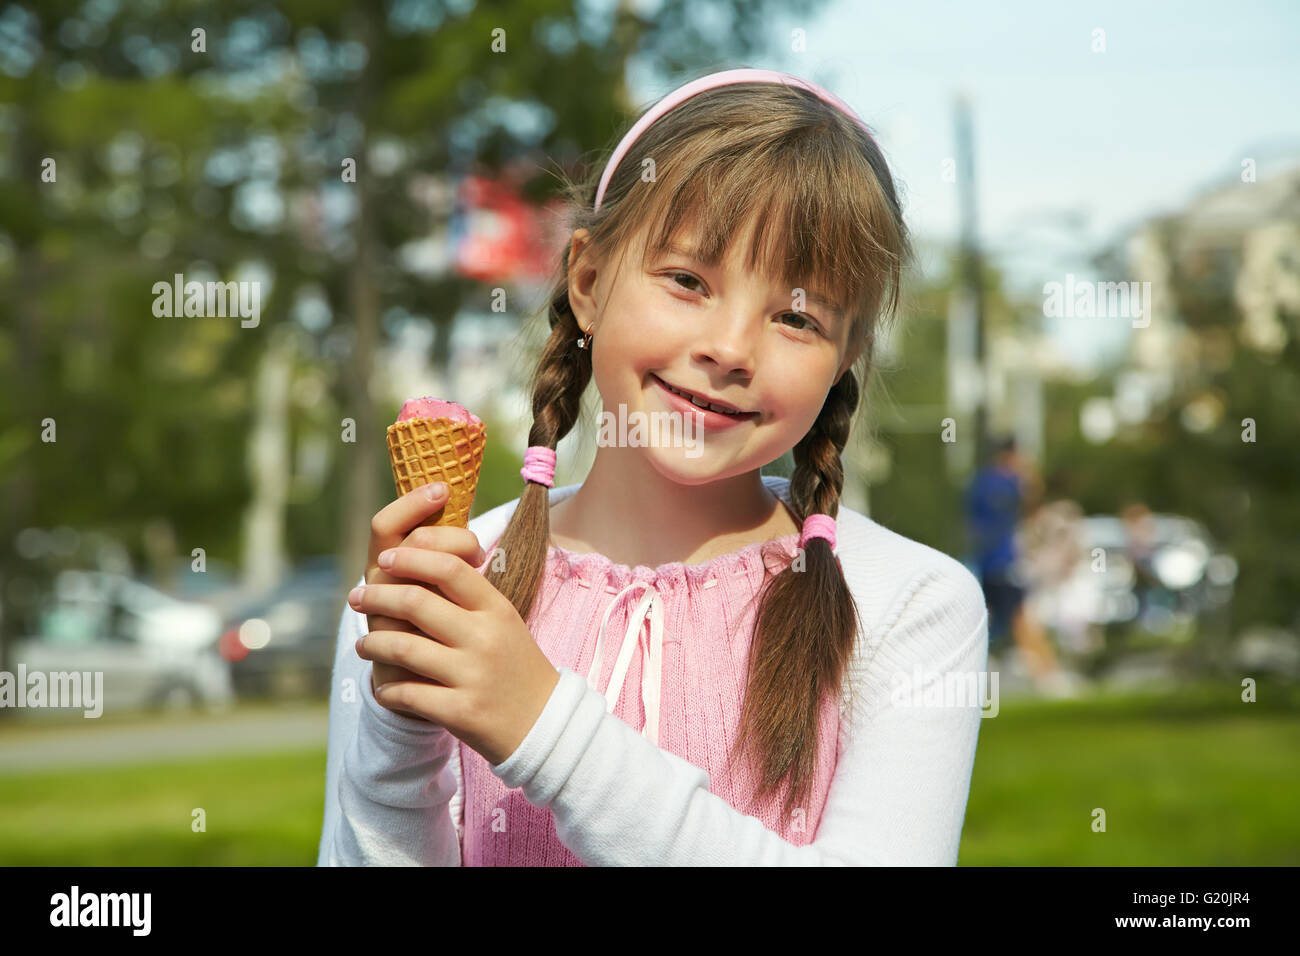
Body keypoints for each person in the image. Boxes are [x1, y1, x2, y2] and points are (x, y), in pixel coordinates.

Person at [319, 68, 988, 866]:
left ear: (847, 356)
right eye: (687, 281)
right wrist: (397, 744)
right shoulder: (444, 585)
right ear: (591, 283)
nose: (730, 349)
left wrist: (543, 725)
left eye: (796, 317)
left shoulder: (909, 602)